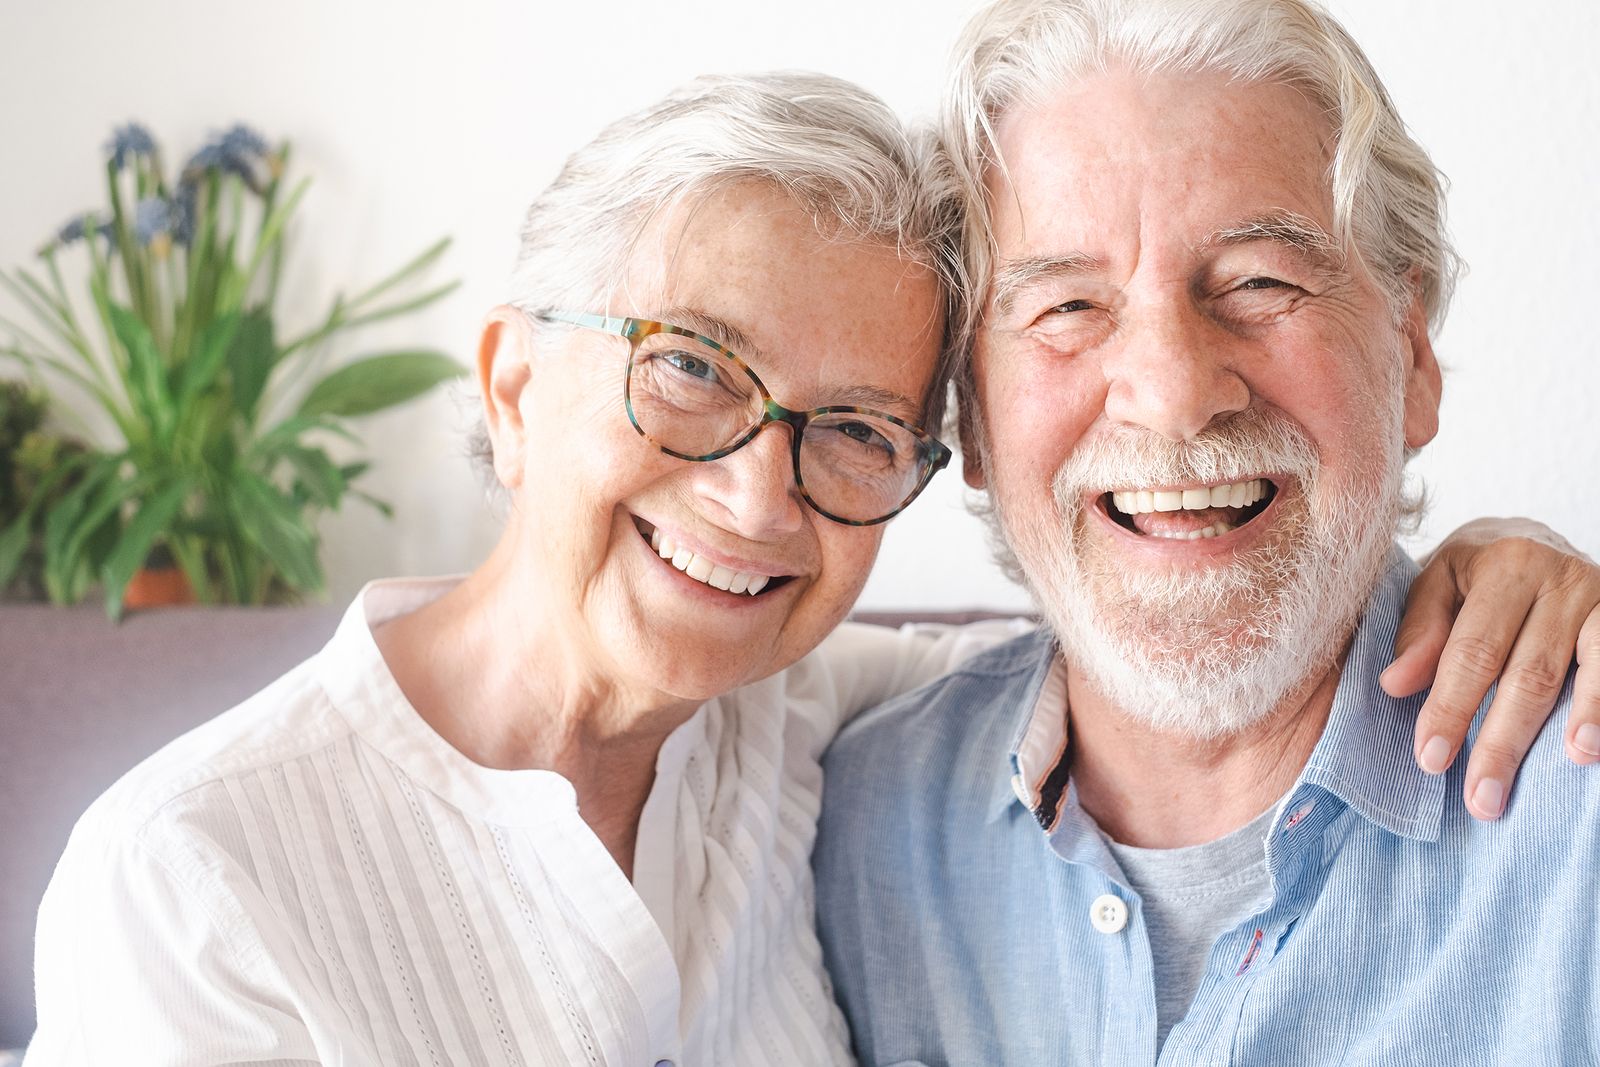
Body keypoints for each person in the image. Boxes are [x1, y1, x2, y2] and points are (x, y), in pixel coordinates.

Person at [22, 67, 1598, 1067]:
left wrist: (1518, 566)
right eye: (691, 367)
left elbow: (1138, 651)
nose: (756, 496)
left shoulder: (811, 729)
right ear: (510, 384)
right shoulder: (195, 873)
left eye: (852, 426)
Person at [813, 1, 1600, 1064]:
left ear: (1410, 360)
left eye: (1259, 283)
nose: (1174, 394)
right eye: (1067, 307)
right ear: (973, 417)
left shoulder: (1580, 806)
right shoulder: (842, 823)